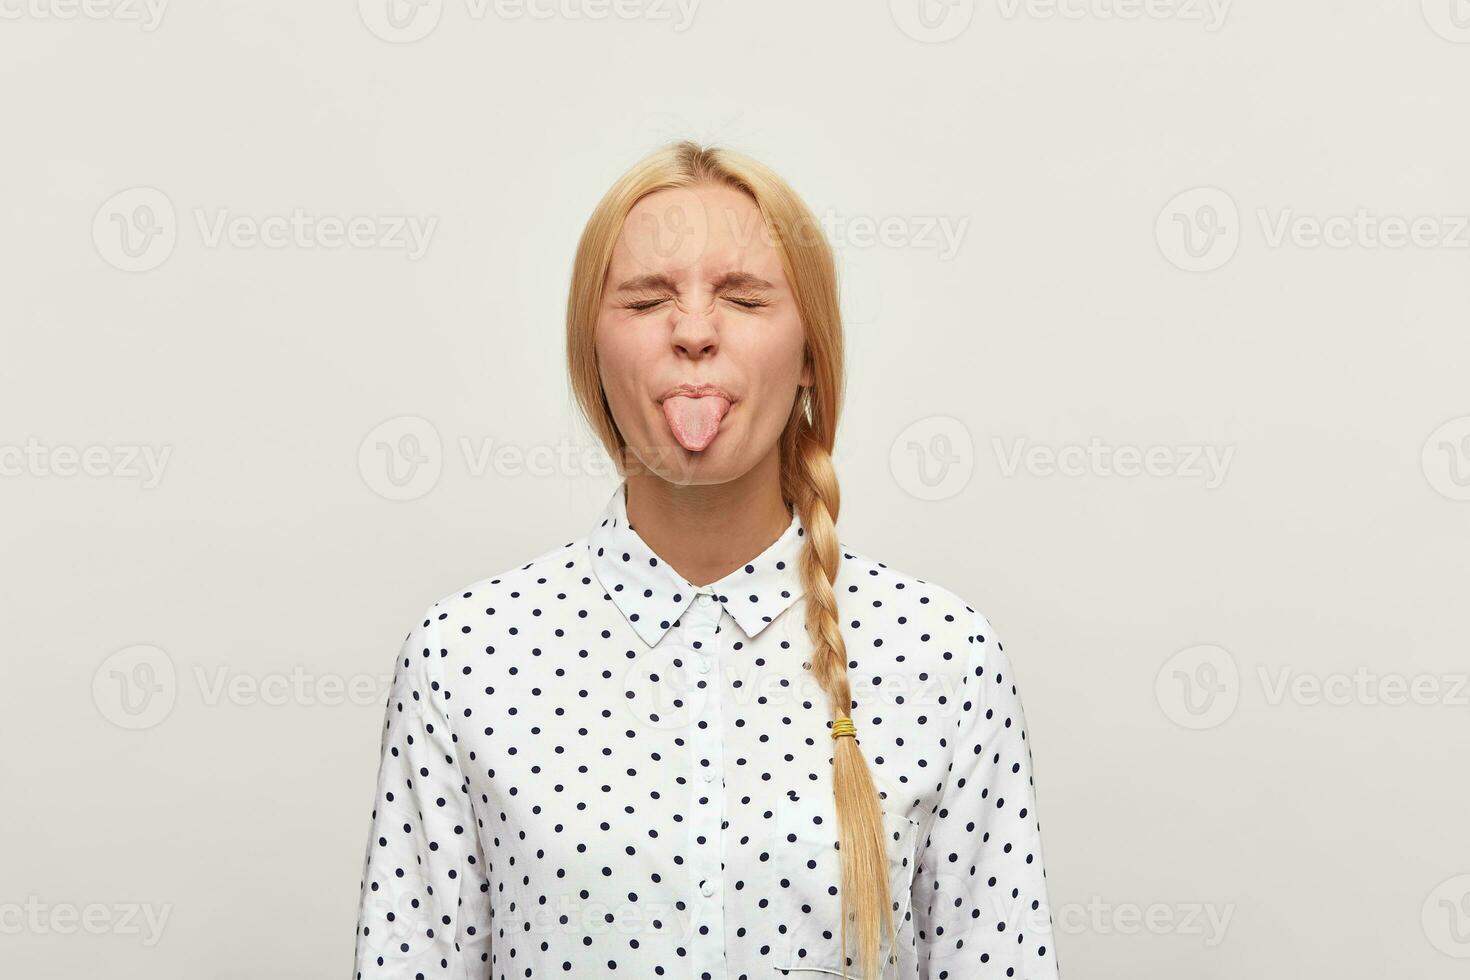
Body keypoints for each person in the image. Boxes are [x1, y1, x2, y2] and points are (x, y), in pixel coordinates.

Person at [352, 140, 1060, 979]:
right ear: (595, 352)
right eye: (648, 300)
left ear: (808, 356)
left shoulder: (946, 656)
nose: (693, 332)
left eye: (745, 298)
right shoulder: (463, 660)